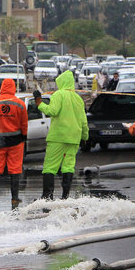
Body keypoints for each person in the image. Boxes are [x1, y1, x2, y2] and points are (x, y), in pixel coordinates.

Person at [34, 70, 89, 200]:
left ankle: (47, 196)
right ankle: (65, 196)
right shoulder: (78, 99)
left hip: (58, 137)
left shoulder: (59, 94)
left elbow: (52, 111)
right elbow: (83, 121)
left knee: (50, 167)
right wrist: (85, 137)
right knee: (68, 166)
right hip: (74, 138)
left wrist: (39, 103)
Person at [0, 79, 28, 205]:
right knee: (15, 169)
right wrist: (24, 136)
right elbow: (24, 123)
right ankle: (14, 197)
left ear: (2, 87)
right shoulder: (20, 104)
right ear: (13, 88)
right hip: (16, 141)